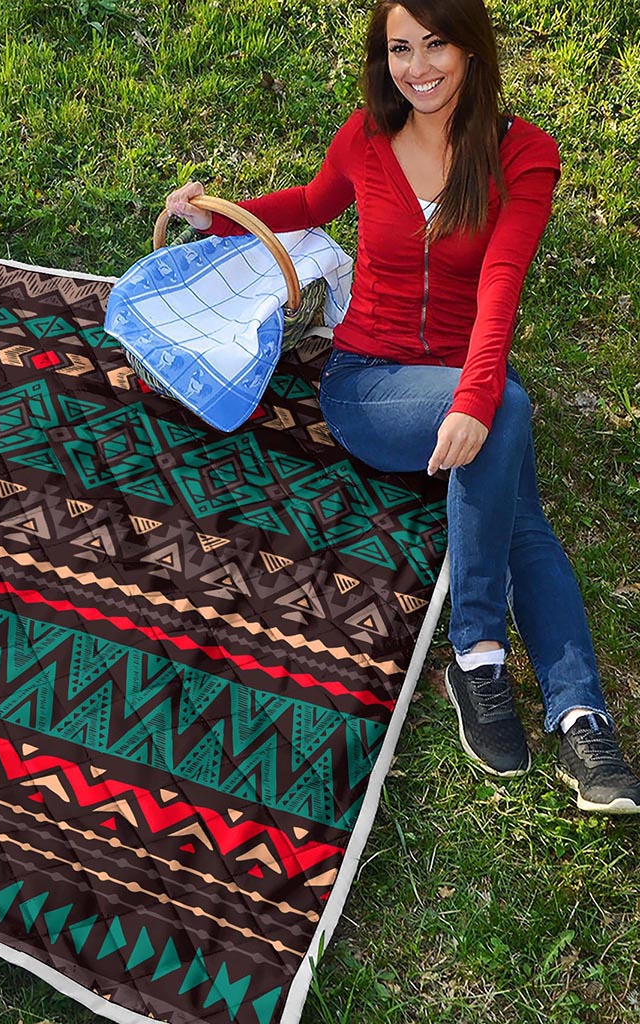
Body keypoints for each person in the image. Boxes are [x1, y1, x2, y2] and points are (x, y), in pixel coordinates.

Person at [164, 0, 640, 814]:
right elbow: (312, 204)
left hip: (460, 378)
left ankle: (575, 714)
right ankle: (483, 654)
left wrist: (477, 396)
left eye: (436, 44)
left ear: (472, 49)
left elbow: (501, 285)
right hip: (368, 385)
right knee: (510, 421)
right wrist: (219, 221)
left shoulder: (523, 155)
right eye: (399, 49)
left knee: (515, 481)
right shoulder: (366, 137)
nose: (417, 67)